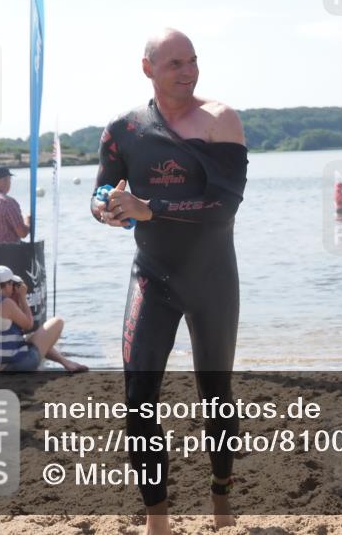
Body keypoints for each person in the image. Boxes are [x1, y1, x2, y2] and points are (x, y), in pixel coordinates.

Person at [92, 29, 247, 532]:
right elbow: (101, 188)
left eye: (193, 61)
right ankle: (157, 520)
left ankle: (221, 502)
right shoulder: (123, 129)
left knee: (215, 395)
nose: (188, 71)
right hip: (153, 276)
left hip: (212, 279)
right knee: (138, 397)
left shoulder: (221, 121)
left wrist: (148, 207)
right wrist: (106, 210)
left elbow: (223, 206)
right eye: (175, 63)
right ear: (148, 69)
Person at [0, 265, 87, 373]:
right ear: (7, 285)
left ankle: (66, 362)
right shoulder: (6, 303)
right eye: (12, 283)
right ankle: (67, 363)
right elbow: (29, 325)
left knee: (32, 337)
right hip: (10, 366)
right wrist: (23, 298)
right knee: (57, 322)